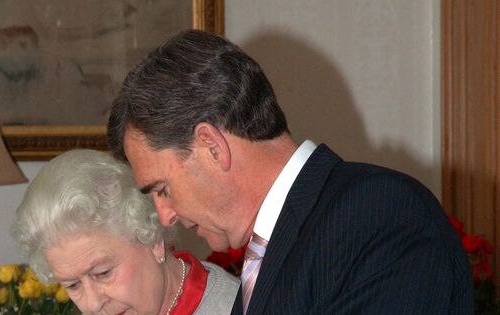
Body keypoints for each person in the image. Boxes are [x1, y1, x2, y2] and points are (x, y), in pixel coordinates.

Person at [107, 29, 473, 314]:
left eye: (162, 188)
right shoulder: (273, 251)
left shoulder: (378, 215)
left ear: (211, 147)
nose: (164, 215)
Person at [12, 149, 239, 315]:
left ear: (153, 241)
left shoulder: (236, 307)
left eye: (103, 273)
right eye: (73, 285)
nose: (92, 304)